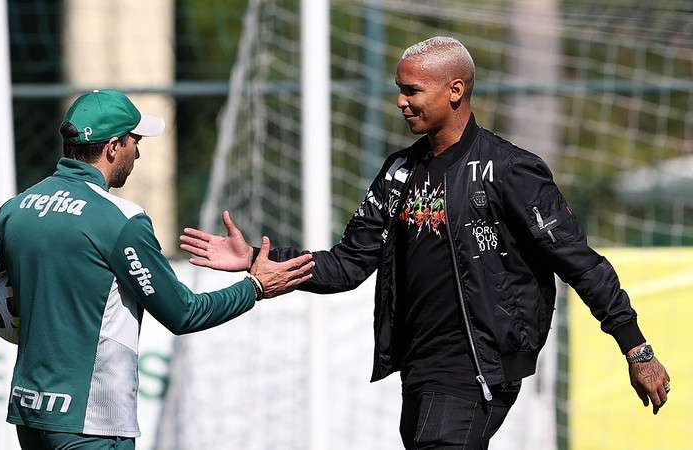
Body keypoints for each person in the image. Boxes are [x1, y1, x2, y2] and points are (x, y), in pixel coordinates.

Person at [179, 37, 671, 449]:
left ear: (455, 91)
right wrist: (260, 261)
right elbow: (349, 263)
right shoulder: (399, 171)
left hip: (479, 365)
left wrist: (636, 350)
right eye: (399, 90)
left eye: (411, 90)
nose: (400, 101)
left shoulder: (509, 169)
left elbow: (581, 263)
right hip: (419, 370)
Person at [0, 89, 314, 450]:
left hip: (30, 415)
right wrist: (256, 287)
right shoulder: (121, 221)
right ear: (112, 147)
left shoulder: (18, 207)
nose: (138, 152)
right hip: (91, 423)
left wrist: (19, 325)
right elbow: (184, 313)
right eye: (135, 141)